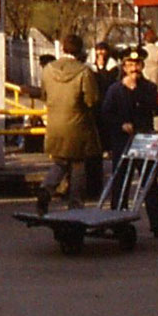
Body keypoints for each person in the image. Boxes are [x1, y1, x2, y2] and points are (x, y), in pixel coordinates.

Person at [97, 47, 158, 237]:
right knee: (121, 181)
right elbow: (105, 114)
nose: (134, 68)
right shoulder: (115, 90)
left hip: (145, 141)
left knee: (150, 182)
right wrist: (120, 124)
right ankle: (117, 221)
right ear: (124, 67)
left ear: (142, 66)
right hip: (123, 142)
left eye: (137, 64)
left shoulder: (149, 88)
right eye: (130, 65)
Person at [36, 33, 103, 211]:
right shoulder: (84, 71)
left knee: (60, 162)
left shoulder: (48, 69)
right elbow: (92, 99)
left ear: (63, 48)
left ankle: (46, 189)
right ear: (80, 50)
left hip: (55, 125)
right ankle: (75, 205)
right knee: (78, 165)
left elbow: (44, 95)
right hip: (78, 125)